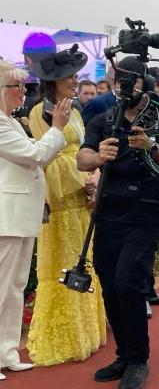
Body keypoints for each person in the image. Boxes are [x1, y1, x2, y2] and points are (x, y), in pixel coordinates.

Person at [77, 58, 159, 388]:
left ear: (146, 84)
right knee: (110, 284)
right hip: (109, 210)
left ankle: (139, 358)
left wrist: (152, 147)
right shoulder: (103, 120)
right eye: (121, 80)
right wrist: (99, 157)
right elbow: (82, 158)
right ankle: (124, 355)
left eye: (133, 80)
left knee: (128, 282)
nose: (126, 86)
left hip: (145, 210)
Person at [27, 45, 107, 366]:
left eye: (76, 76)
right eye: (69, 77)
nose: (75, 81)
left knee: (84, 260)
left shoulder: (73, 111)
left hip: (81, 200)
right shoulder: (40, 112)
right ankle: (61, 337)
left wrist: (94, 176)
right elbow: (48, 160)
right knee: (62, 264)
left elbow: (84, 150)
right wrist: (84, 177)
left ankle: (85, 332)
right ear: (54, 81)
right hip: (61, 202)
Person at [0, 60, 70, 382]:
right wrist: (57, 127)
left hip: (19, 216)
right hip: (8, 217)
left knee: (14, 288)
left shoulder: (10, 122)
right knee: (3, 288)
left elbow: (36, 153)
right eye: (17, 87)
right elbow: (37, 155)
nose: (22, 93)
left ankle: (7, 352)